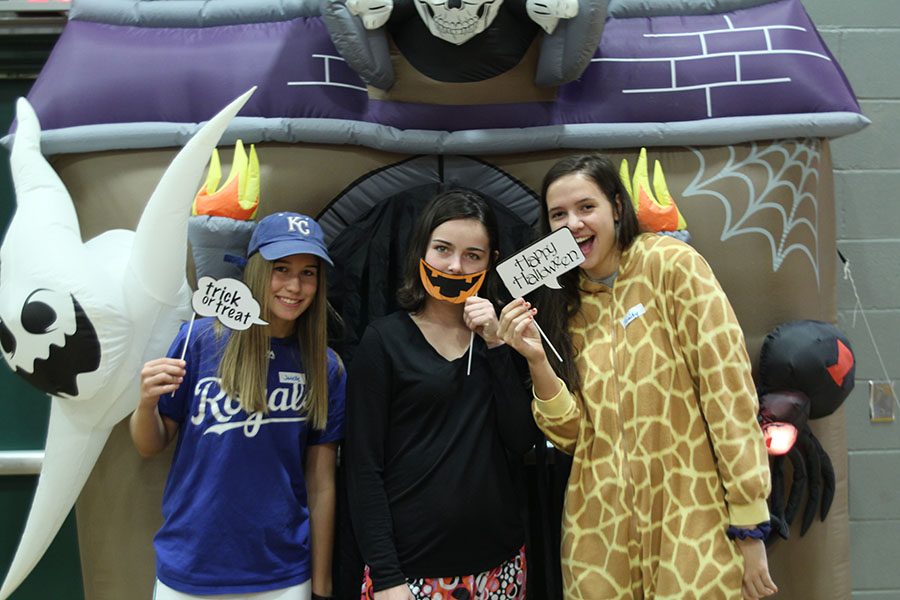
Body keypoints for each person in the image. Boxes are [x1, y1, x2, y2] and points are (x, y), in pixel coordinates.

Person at [498, 154, 777, 599]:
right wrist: (536, 360)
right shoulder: (564, 303)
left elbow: (727, 389)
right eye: (558, 214)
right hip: (598, 534)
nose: (573, 223)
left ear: (617, 208)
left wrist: (749, 524)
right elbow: (571, 434)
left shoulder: (671, 264)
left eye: (586, 207)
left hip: (691, 518)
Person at [130, 212, 346, 600]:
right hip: (191, 565)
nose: (295, 286)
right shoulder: (198, 340)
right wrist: (146, 403)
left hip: (281, 572)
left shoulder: (324, 365)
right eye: (281, 269)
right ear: (257, 270)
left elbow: (321, 482)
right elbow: (150, 444)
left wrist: (321, 583)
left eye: (308, 272)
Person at [345, 190, 535, 600]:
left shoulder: (501, 340)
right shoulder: (384, 340)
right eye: (443, 249)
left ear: (491, 261)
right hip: (411, 571)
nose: (454, 266)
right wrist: (386, 575)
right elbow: (363, 468)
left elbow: (521, 440)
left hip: (499, 564)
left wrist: (499, 346)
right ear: (422, 251)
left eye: (472, 255)